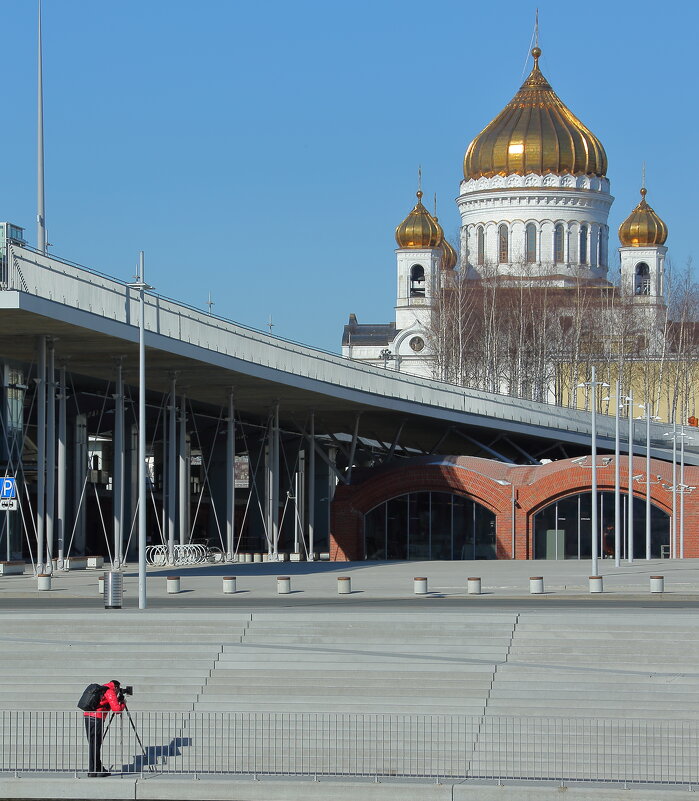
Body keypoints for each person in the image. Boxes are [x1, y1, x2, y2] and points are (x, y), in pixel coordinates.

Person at [83, 680, 126, 777]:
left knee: (94, 744)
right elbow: (117, 710)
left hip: (88, 716)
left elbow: (105, 704)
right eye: (118, 689)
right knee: (95, 744)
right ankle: (93, 770)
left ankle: (97, 768)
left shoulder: (103, 689)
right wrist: (122, 703)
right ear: (116, 687)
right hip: (96, 718)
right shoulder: (110, 691)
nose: (118, 691)